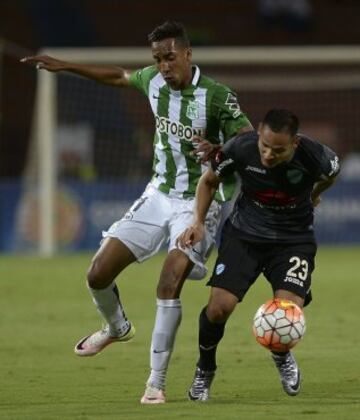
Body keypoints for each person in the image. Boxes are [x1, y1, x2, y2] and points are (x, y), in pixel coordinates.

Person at [21, 21, 253, 403]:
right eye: (158, 59)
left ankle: (155, 383)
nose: (164, 66)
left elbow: (247, 136)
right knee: (97, 273)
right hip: (158, 193)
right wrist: (65, 65)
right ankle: (116, 327)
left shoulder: (216, 96)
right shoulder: (154, 82)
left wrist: (218, 148)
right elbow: (119, 76)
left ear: (188, 54)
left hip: (200, 201)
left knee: (169, 278)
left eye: (170, 57)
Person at [177, 108, 340, 400]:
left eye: (278, 150)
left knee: (286, 313)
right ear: (259, 132)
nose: (267, 155)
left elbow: (331, 174)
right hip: (245, 236)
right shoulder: (239, 148)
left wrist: (314, 194)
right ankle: (205, 368)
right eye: (264, 146)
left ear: (295, 144)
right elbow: (209, 182)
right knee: (218, 309)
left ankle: (280, 353)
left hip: (293, 240)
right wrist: (197, 222)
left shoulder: (317, 157)